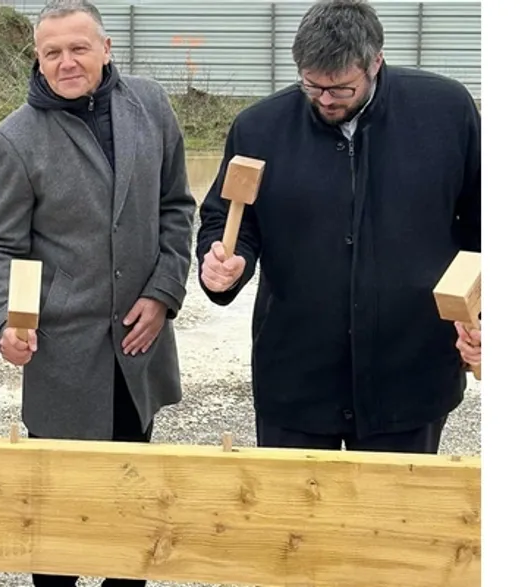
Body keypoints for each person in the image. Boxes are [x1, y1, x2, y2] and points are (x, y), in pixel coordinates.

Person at [196, 0, 480, 453]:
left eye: (342, 89)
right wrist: (224, 262)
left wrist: (483, 310)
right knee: (294, 519)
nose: (325, 100)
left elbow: (483, 224)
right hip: (296, 379)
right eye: (311, 86)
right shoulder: (259, 128)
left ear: (376, 62)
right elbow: (228, 219)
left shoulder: (446, 113)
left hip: (410, 374)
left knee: (395, 518)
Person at [0, 1, 195, 585]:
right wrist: (5, 322)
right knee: (60, 534)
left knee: (131, 523)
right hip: (64, 361)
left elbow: (176, 207)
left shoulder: (150, 106)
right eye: (53, 52)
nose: (67, 62)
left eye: (79, 48)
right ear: (38, 59)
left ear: (106, 48)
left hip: (138, 345)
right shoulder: (15, 139)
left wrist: (165, 290)